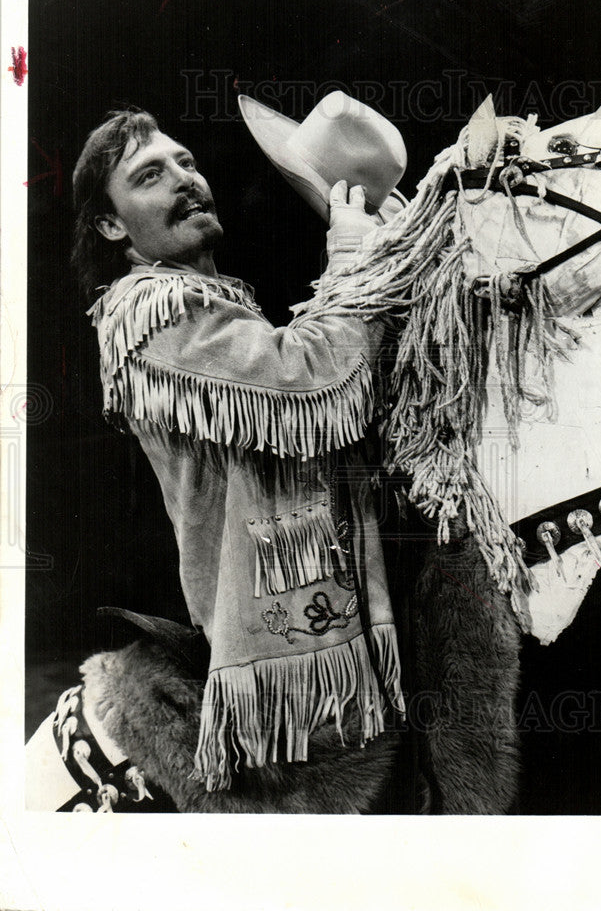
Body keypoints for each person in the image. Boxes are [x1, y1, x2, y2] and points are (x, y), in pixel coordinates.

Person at [52, 99, 410, 812]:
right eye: (151, 174)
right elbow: (309, 379)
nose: (185, 178)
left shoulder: (212, 300)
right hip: (283, 654)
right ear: (110, 225)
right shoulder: (149, 308)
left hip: (326, 599)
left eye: (186, 161)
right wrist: (351, 261)